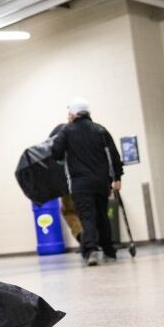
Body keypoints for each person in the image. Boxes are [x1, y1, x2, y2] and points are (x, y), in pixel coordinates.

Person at [51, 98, 123, 266]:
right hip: (101, 182)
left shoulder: (67, 131)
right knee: (102, 215)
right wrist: (117, 177)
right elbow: (114, 155)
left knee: (87, 216)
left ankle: (91, 250)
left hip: (80, 183)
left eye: (69, 113)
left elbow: (56, 153)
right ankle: (109, 250)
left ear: (75, 114)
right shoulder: (100, 130)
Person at [50, 123, 83, 245]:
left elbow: (52, 155)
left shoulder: (57, 133)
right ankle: (92, 239)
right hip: (83, 179)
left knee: (68, 211)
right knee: (87, 210)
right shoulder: (80, 133)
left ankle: (80, 233)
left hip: (66, 182)